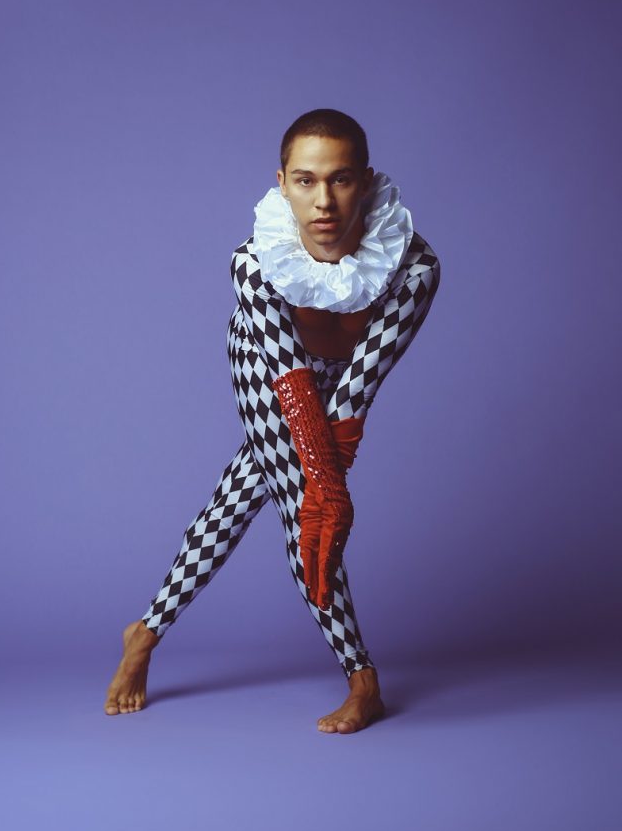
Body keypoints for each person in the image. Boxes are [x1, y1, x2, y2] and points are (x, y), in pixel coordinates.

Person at [104, 108, 441, 733]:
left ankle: (145, 631)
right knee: (304, 506)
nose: (324, 202)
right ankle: (363, 679)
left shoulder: (414, 268)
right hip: (267, 367)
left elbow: (359, 388)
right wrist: (323, 483)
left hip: (341, 381)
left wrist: (330, 476)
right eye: (306, 181)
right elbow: (292, 384)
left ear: (366, 182)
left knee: (243, 497)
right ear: (283, 183)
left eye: (340, 179)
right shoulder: (256, 264)